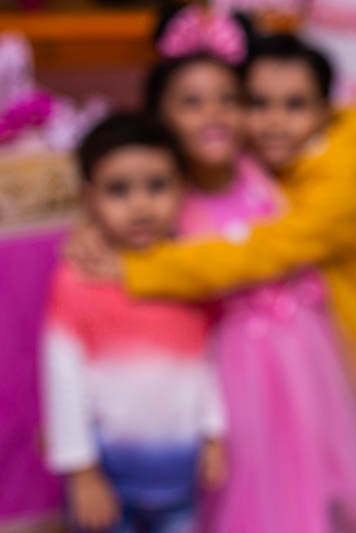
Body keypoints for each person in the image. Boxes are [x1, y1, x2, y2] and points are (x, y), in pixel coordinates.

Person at [68, 33, 356, 533]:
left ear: (326, 109)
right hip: (257, 368)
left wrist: (139, 270)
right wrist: (101, 229)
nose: (273, 121)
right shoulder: (266, 165)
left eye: (294, 105)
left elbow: (262, 250)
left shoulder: (335, 180)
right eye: (257, 103)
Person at [143, 10, 356, 532]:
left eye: (229, 100)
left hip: (304, 349)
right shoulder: (173, 200)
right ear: (160, 116)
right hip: (234, 365)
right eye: (191, 102)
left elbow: (276, 242)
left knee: (315, 473)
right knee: (251, 485)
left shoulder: (257, 170)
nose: (214, 115)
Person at [41, 113, 227, 533]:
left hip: (179, 471)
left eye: (157, 186)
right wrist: (81, 470)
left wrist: (215, 434)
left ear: (183, 188)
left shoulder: (190, 273)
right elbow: (63, 379)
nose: (140, 204)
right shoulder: (75, 281)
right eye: (118, 189)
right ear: (88, 197)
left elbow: (212, 360)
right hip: (107, 477)